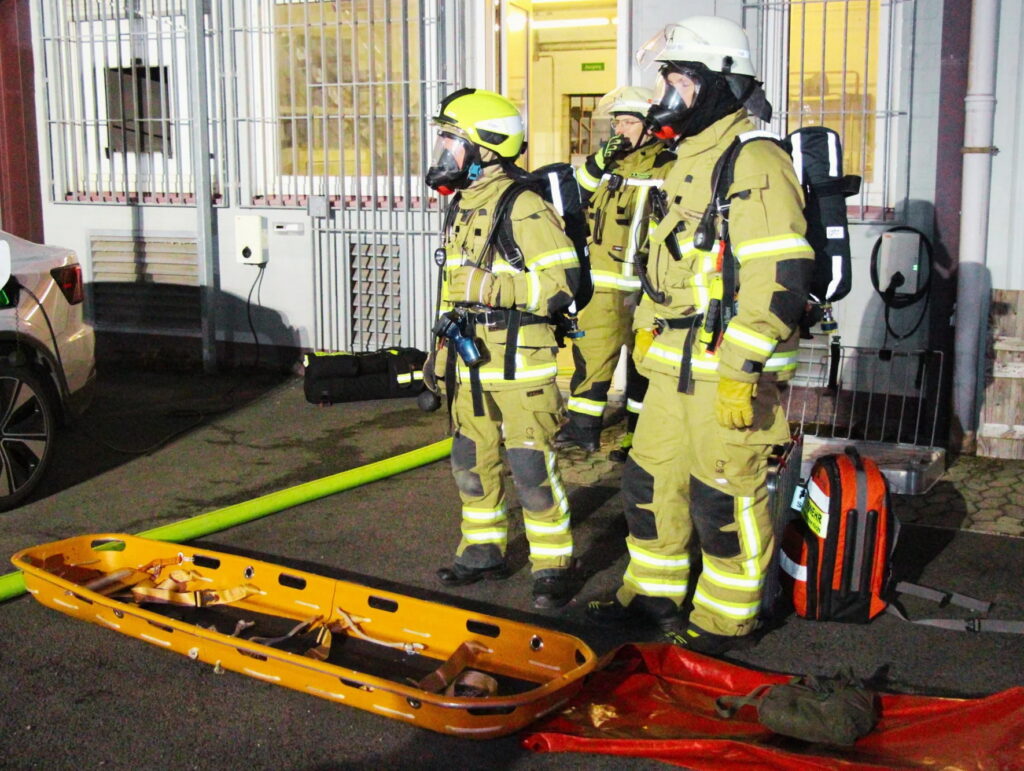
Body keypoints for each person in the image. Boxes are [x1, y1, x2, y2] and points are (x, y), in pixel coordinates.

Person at [585, 16, 813, 654]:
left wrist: (743, 370)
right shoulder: (686, 161)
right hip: (671, 366)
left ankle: (727, 617)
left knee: (723, 496)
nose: (667, 94)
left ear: (715, 83)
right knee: (650, 483)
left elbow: (778, 277)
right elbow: (672, 271)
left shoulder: (754, 158)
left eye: (678, 79)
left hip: (725, 372)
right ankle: (654, 593)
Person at [424, 88, 581, 609]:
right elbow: (456, 290)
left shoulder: (525, 205)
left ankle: (554, 565)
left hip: (521, 366)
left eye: (450, 139)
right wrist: (439, 357)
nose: (441, 149)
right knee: (470, 464)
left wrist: (488, 290)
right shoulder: (462, 206)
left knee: (531, 471)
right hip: (471, 367)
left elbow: (564, 286)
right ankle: (482, 551)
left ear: (485, 148)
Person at [554, 86, 674, 461]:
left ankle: (636, 441)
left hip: (647, 287)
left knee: (645, 367)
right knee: (591, 356)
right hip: (603, 282)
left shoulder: (669, 166)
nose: (620, 128)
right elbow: (574, 196)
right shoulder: (607, 164)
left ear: (649, 126)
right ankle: (583, 431)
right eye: (617, 121)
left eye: (628, 121)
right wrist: (596, 162)